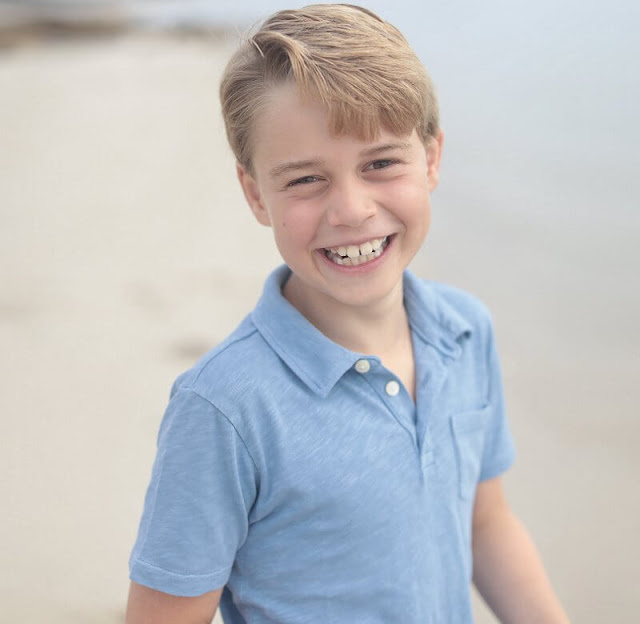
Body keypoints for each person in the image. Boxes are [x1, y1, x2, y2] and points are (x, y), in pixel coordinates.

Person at [125, 4, 570, 623]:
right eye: (306, 179)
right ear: (256, 193)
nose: (352, 210)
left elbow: (485, 522)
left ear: (433, 158)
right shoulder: (225, 409)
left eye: (381, 163)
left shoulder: (465, 332)